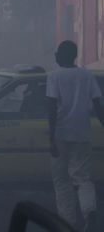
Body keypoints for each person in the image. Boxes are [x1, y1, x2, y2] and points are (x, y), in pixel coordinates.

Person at [47, 40, 104, 231]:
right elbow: (98, 106)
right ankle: (89, 211)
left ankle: (67, 223)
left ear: (62, 55)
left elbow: (51, 108)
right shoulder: (87, 76)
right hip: (82, 134)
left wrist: (51, 137)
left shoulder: (54, 77)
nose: (55, 55)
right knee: (82, 178)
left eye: (57, 53)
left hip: (61, 133)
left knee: (62, 180)